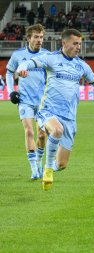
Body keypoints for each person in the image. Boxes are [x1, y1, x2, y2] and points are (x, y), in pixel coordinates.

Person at [16, 29, 94, 190]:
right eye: (75, 43)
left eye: (80, 44)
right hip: (48, 111)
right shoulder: (51, 59)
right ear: (64, 43)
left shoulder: (81, 66)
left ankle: (50, 167)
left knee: (62, 164)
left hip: (69, 117)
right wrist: (22, 68)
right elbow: (30, 62)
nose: (78, 47)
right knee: (57, 130)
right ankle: (48, 169)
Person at [6, 24, 49, 180]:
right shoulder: (18, 55)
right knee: (29, 131)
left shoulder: (46, 55)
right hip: (25, 100)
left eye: (41, 37)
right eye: (36, 37)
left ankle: (38, 161)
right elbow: (9, 73)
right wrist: (11, 91)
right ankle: (33, 169)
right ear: (29, 38)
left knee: (42, 135)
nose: (39, 40)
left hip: (43, 101)